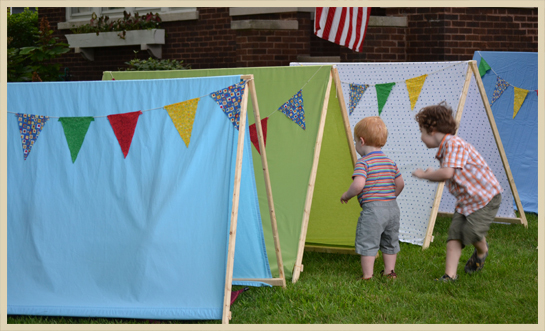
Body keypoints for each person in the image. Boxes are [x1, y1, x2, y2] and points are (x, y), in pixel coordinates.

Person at [412, 101, 502, 282]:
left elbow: (447, 173)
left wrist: (424, 175)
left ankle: (482, 250)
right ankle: (450, 275)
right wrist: (432, 174)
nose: (421, 137)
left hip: (485, 197)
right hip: (466, 200)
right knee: (454, 235)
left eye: (421, 132)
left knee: (471, 231)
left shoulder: (453, 144)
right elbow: (448, 174)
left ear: (432, 130)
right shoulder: (446, 148)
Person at [340, 116, 404, 280]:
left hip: (373, 211)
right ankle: (390, 272)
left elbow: (358, 185)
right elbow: (400, 184)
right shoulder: (390, 162)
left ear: (361, 141)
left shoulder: (363, 163)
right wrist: (389, 197)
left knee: (368, 242)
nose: (355, 145)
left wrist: (347, 195)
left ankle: (368, 275)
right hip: (392, 209)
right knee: (390, 242)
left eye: (355, 142)